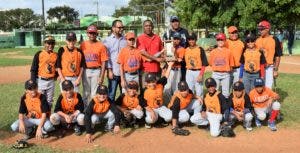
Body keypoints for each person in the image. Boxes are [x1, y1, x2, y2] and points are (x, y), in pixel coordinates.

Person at [80, 25, 108, 106]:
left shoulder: (101, 46)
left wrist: (102, 76)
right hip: (86, 70)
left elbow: (103, 62)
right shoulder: (83, 45)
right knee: (86, 93)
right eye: (90, 33)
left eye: (93, 33)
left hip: (96, 70)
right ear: (87, 34)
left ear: (96, 34)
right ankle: (85, 110)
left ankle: (93, 109)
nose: (92, 35)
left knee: (94, 94)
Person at [143, 61, 174, 128]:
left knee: (170, 117)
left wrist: (170, 65)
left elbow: (166, 76)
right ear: (146, 83)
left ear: (156, 81)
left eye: (153, 81)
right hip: (151, 108)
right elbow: (143, 104)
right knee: (150, 119)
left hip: (160, 107)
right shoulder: (145, 90)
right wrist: (151, 111)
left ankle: (161, 119)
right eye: (149, 82)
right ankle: (148, 122)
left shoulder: (159, 84)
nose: (151, 84)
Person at [103, 20, 127, 102]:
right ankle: (111, 113)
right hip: (113, 72)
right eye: (119, 27)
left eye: (122, 27)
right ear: (113, 28)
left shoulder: (125, 40)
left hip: (124, 73)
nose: (121, 29)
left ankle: (122, 113)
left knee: (124, 95)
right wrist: (109, 70)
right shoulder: (107, 40)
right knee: (111, 95)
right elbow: (106, 57)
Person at [30, 36, 57, 107]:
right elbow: (33, 69)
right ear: (44, 44)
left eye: (52, 43)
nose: (50, 45)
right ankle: (40, 117)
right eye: (48, 43)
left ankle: (48, 116)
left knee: (49, 101)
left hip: (51, 81)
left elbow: (58, 67)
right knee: (40, 99)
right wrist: (33, 82)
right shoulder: (39, 54)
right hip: (40, 81)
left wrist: (56, 76)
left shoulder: (56, 55)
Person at [136, 20, 164, 89]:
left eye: (150, 26)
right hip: (145, 70)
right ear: (143, 27)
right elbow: (143, 52)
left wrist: (166, 57)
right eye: (146, 26)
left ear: (153, 27)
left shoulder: (157, 38)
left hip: (156, 69)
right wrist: (156, 59)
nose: (148, 27)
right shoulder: (140, 38)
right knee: (145, 92)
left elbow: (162, 51)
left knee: (156, 91)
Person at [256, 20, 282, 89]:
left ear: (267, 29)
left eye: (262, 29)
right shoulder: (257, 40)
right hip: (259, 67)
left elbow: (277, 56)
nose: (260, 31)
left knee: (268, 88)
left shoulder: (274, 39)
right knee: (259, 87)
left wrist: (276, 70)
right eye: (259, 29)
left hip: (269, 67)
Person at [209, 33, 234, 98]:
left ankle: (225, 107)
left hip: (226, 74)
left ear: (225, 41)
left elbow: (231, 64)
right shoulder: (213, 52)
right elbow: (211, 64)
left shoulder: (229, 51)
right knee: (214, 90)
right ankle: (215, 106)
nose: (220, 41)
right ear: (216, 41)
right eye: (218, 40)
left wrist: (226, 70)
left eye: (222, 40)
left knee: (226, 92)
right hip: (216, 73)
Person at [184, 32, 209, 98]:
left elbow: (204, 63)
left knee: (199, 91)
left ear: (196, 39)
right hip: (189, 72)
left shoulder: (200, 49)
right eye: (189, 39)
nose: (191, 41)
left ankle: (200, 107)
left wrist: (201, 75)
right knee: (189, 90)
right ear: (187, 40)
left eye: (193, 39)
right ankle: (191, 105)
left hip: (198, 72)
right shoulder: (186, 50)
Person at [163, 32, 185, 102]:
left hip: (177, 70)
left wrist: (174, 52)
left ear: (180, 40)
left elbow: (179, 60)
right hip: (169, 70)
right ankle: (170, 103)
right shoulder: (168, 46)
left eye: (178, 39)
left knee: (175, 89)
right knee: (167, 88)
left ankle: (175, 103)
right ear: (172, 39)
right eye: (175, 39)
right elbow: (166, 58)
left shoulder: (181, 49)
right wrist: (165, 53)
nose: (176, 41)